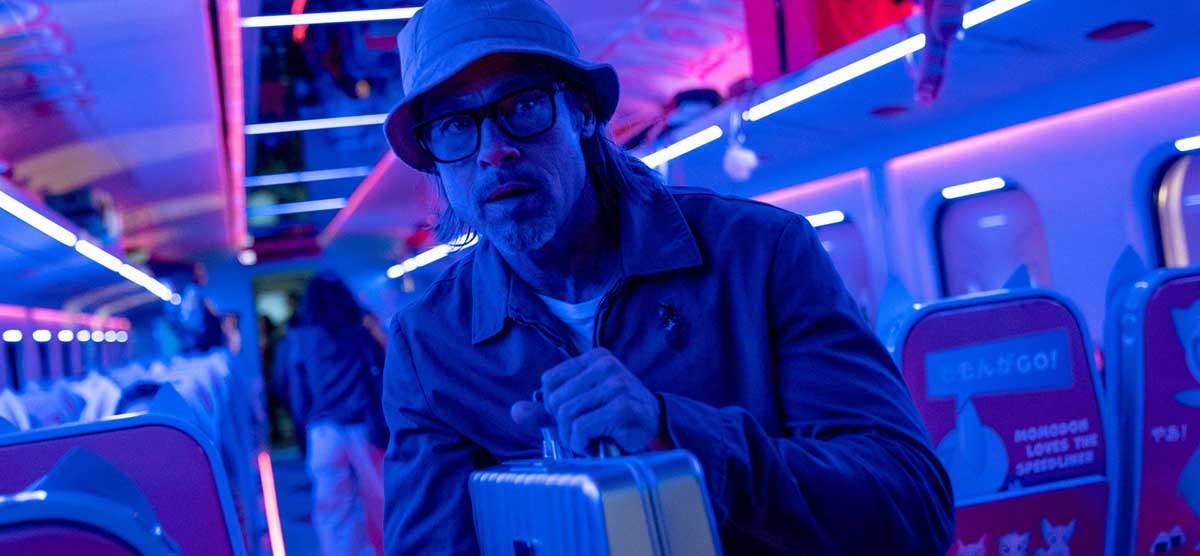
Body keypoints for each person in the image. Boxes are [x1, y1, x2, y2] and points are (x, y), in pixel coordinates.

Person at [379, 1, 955, 554]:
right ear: (433, 160)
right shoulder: (431, 348)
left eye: (524, 105)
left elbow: (910, 504)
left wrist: (674, 433)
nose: (494, 150)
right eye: (454, 126)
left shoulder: (759, 255)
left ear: (582, 111)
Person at [285, 272, 385, 556]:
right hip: (363, 426)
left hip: (323, 431)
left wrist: (305, 426)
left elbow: (297, 391)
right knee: (379, 499)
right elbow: (382, 366)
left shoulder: (301, 338)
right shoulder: (359, 330)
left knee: (332, 510)